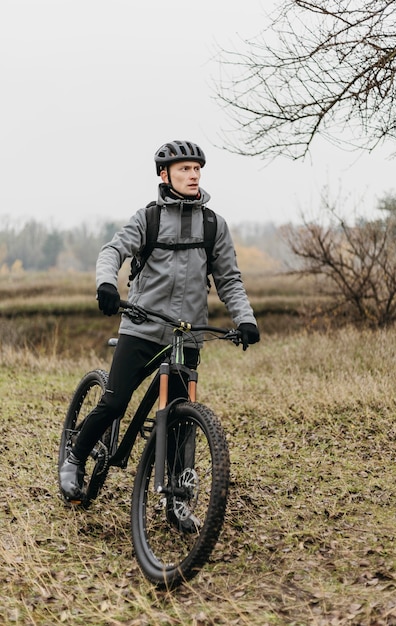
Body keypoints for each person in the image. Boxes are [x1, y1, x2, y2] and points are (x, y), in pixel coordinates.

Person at [59, 139, 260, 502]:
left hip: (187, 336)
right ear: (165, 175)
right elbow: (113, 251)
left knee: (180, 420)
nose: (193, 174)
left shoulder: (214, 224)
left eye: (197, 169)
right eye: (185, 169)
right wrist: (106, 282)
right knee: (115, 402)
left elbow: (229, 279)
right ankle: (74, 458)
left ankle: (177, 498)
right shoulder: (148, 218)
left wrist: (245, 318)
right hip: (142, 327)